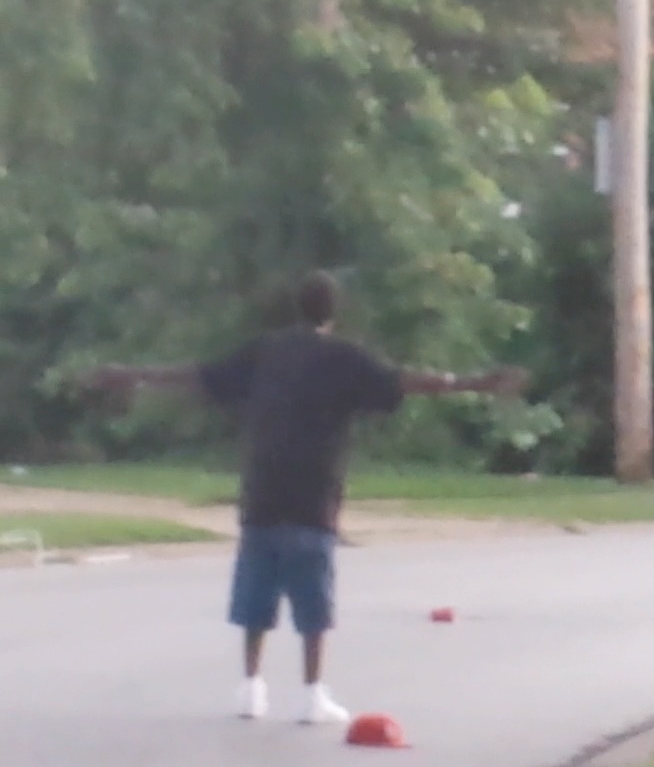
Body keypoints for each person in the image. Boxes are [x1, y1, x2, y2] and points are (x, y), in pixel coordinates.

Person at [87, 271, 528, 723]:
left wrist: (132, 375)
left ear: (296, 308)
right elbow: (406, 381)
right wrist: (476, 382)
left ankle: (250, 688)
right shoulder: (345, 359)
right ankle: (312, 694)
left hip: (262, 492)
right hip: (313, 496)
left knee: (255, 597)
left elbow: (197, 375)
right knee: (313, 603)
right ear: (333, 314)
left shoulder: (264, 353)